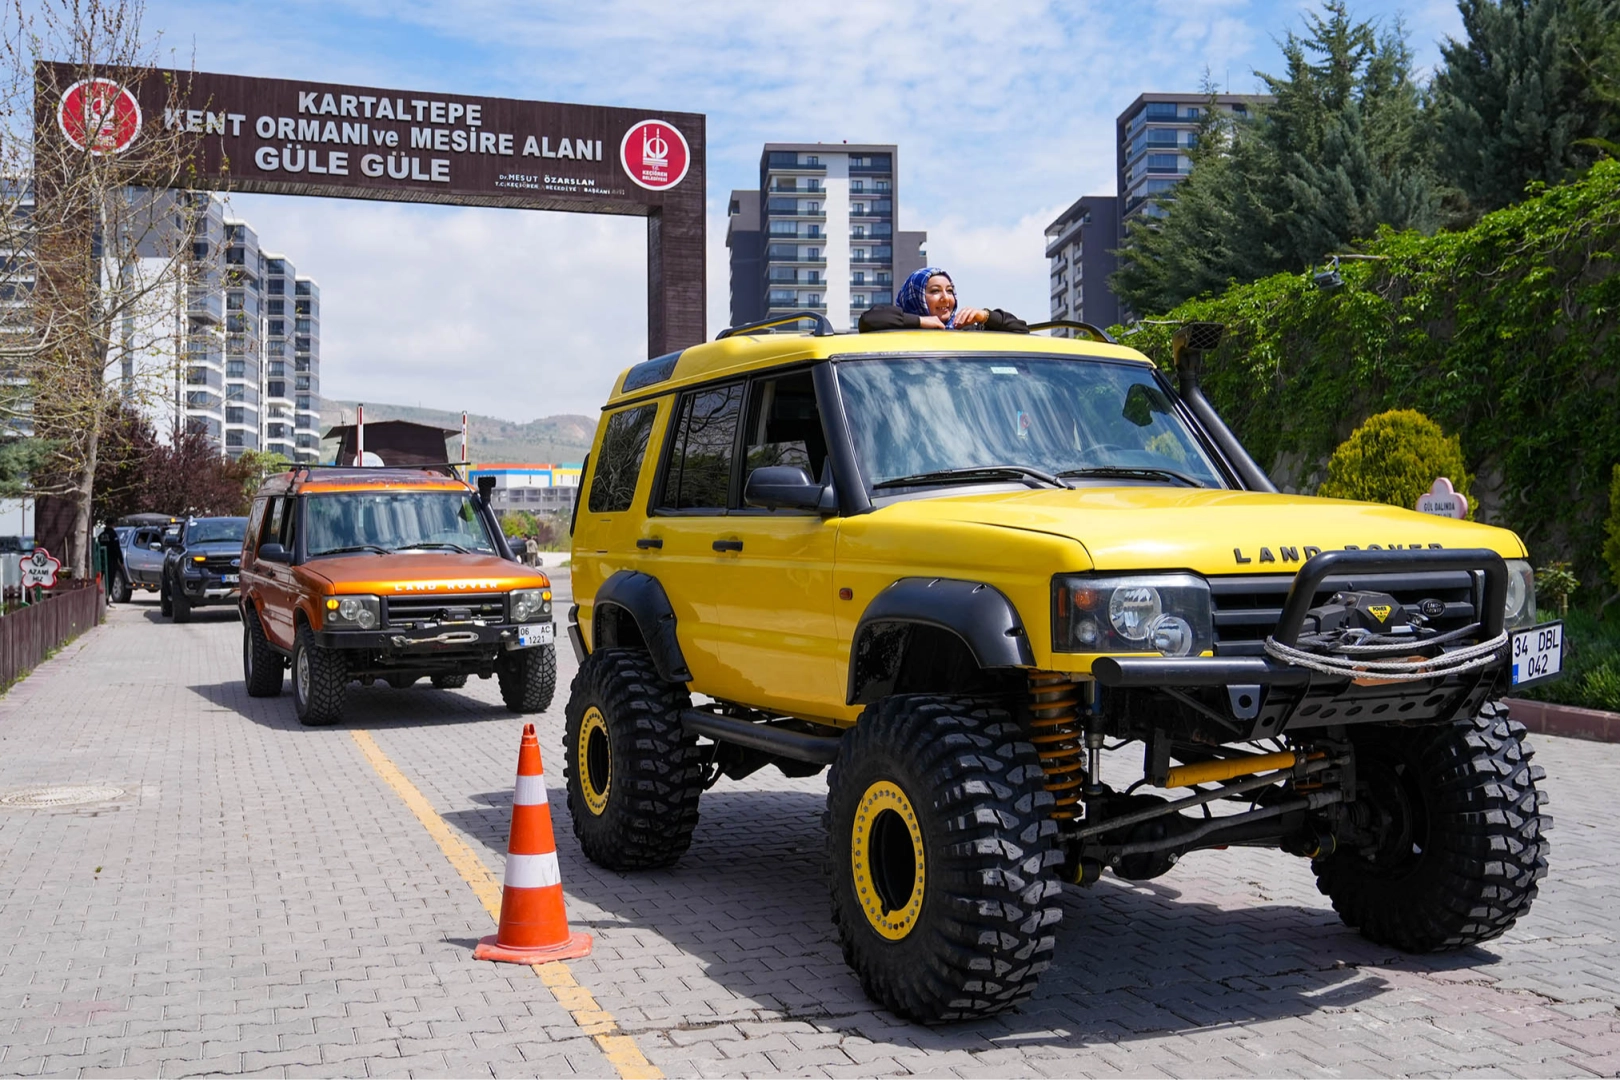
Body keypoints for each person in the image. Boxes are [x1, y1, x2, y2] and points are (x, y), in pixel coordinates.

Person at [858, 267, 1028, 333]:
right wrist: (920, 322)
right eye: (935, 291)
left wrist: (985, 316)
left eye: (950, 291)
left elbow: (1021, 330)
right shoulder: (899, 329)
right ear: (915, 297)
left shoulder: (966, 330)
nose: (946, 298)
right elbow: (868, 320)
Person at [98, 523, 123, 603]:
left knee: (101, 579)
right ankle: (106, 597)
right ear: (113, 525)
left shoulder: (101, 535)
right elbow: (117, 547)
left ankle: (101, 596)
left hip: (101, 561)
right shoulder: (113, 534)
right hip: (112, 560)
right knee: (110, 579)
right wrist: (121, 560)